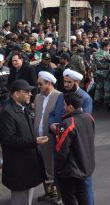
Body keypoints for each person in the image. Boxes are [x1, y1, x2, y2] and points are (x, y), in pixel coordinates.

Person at [0, 79, 48, 205]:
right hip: (19, 165)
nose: (30, 94)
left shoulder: (22, 107)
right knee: (20, 199)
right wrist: (34, 141)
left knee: (27, 196)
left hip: (27, 163)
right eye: (26, 92)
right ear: (16, 94)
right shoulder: (7, 112)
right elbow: (9, 139)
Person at [54, 93, 95, 205]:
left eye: (64, 105)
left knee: (69, 197)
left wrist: (58, 168)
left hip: (70, 169)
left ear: (71, 107)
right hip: (85, 166)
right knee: (82, 194)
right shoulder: (89, 118)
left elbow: (62, 149)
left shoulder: (68, 123)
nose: (63, 107)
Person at [34, 71, 65, 204]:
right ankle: (49, 192)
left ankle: (59, 194)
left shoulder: (59, 97)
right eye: (38, 84)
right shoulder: (37, 97)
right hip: (37, 139)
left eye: (41, 84)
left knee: (53, 166)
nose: (39, 86)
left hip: (51, 138)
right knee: (42, 167)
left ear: (49, 83)